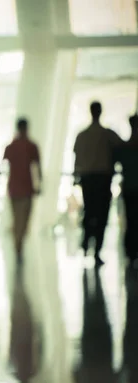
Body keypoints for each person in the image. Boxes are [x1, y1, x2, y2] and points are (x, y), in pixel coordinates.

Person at [73, 101, 124, 266]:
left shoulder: (83, 136)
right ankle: (96, 249)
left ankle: (87, 243)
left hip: (88, 180)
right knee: (101, 214)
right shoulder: (108, 135)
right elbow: (121, 150)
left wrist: (77, 178)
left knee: (89, 213)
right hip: (102, 179)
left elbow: (77, 160)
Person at [2, 118, 42, 266]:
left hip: (14, 188)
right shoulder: (31, 146)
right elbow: (38, 166)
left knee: (17, 219)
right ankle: (18, 245)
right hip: (26, 188)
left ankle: (18, 245)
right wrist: (40, 183)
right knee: (23, 220)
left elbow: (4, 165)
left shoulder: (12, 146)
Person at [114, 113, 138, 267]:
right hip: (131, 188)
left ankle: (131, 252)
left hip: (129, 188)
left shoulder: (125, 147)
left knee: (130, 220)